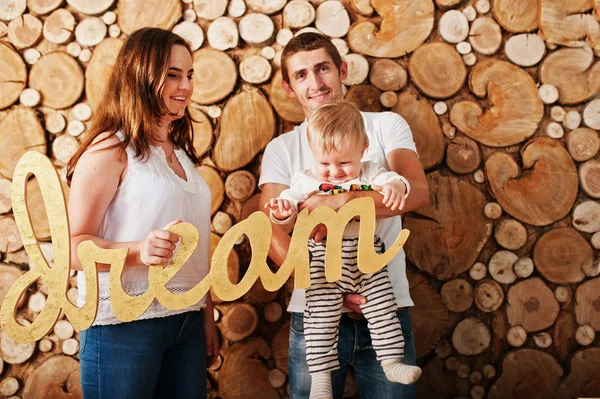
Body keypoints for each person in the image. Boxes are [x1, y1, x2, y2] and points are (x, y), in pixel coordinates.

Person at [258, 32, 429, 399]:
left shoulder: (385, 126)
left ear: (342, 69)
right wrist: (328, 281)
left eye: (323, 68)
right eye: (301, 74)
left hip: (384, 300)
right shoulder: (282, 149)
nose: (315, 83)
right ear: (288, 87)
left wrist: (340, 203)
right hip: (315, 304)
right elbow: (270, 228)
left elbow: (416, 191)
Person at [66, 27, 218, 399]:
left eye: (189, 74)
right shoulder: (111, 148)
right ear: (140, 75)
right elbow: (72, 248)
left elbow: (195, 243)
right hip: (124, 323)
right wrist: (137, 251)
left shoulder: (181, 154)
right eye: (172, 74)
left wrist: (206, 314)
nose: (185, 86)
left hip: (186, 320)